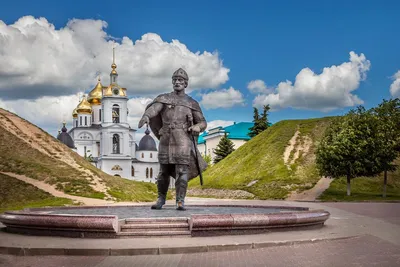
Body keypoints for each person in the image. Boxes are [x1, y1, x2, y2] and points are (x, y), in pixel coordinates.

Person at [138, 68, 207, 210]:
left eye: (180, 80)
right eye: (175, 80)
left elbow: (202, 122)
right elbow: (154, 109)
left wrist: (197, 127)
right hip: (166, 139)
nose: (177, 82)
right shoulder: (164, 98)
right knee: (163, 172)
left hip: (182, 140)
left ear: (186, 84)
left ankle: (180, 200)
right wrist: (146, 116)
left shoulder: (192, 103)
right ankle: (161, 198)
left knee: (182, 171)